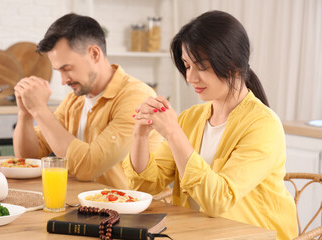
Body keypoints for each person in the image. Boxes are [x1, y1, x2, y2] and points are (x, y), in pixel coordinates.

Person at [122, 10, 297, 239]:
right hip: (193, 233)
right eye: (187, 66)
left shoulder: (264, 126)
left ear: (233, 64)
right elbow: (145, 187)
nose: (191, 78)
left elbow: (218, 200)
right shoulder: (190, 118)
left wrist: (173, 133)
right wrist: (140, 135)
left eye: (201, 66)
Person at [13, 13, 162, 189]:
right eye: (58, 71)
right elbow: (30, 158)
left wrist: (40, 110)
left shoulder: (136, 97)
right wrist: (26, 113)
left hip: (133, 211)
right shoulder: (74, 100)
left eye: (67, 68)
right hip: (84, 207)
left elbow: (89, 167)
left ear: (94, 54)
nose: (63, 80)